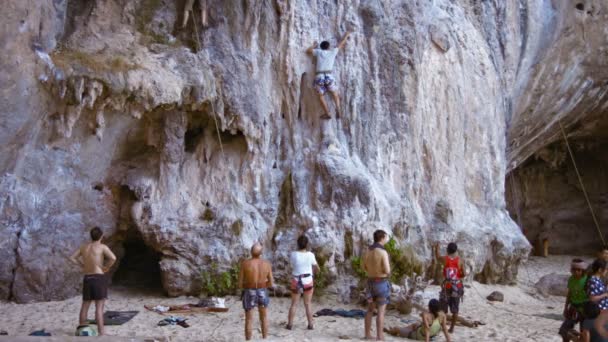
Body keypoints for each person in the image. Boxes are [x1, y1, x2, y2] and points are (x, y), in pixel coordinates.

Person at [69, 227, 117, 336]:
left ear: (91, 236)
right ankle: (102, 332)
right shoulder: (102, 247)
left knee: (85, 305)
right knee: (99, 307)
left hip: (87, 277)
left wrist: (82, 265)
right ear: (102, 236)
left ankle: (81, 330)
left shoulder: (83, 247)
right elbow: (113, 258)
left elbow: (72, 258)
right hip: (98, 277)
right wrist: (106, 267)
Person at [306, 31, 351, 120]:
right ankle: (338, 109)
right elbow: (341, 44)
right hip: (329, 76)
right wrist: (346, 35)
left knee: (321, 96)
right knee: (335, 94)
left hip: (319, 77)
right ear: (329, 47)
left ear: (321, 47)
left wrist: (314, 46)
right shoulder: (332, 52)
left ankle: (327, 113)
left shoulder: (318, 52)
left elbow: (308, 51)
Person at [238, 242, 274, 340]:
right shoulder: (267, 264)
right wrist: (262, 285)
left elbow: (240, 284)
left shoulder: (245, 264)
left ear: (251, 252)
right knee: (264, 318)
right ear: (261, 253)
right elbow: (271, 283)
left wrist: (249, 286)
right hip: (262, 290)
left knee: (249, 319)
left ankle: (248, 340)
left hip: (249, 291)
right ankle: (265, 338)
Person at [363, 229, 391, 341]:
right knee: (381, 311)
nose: (386, 239)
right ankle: (380, 336)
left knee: (370, 310)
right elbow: (387, 270)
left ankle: (367, 334)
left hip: (370, 282)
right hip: (381, 283)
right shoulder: (383, 252)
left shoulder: (367, 251)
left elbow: (363, 267)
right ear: (382, 238)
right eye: (385, 237)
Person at [286, 235, 319, 330]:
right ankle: (310, 324)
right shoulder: (311, 255)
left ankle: (290, 325)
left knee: (294, 304)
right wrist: (313, 272)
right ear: (307, 244)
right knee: (308, 304)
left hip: (296, 281)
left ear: (298, 244)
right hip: (308, 281)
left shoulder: (293, 254)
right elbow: (317, 268)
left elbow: (292, 265)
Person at [434, 242, 465, 333]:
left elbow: (437, 257)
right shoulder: (460, 261)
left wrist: (437, 248)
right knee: (455, 309)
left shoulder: (445, 259)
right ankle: (451, 328)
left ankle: (441, 326)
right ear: (456, 251)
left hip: (447, 286)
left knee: (443, 308)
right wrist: (459, 275)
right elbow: (464, 274)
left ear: (447, 250)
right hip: (457, 286)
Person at [385, 299, 452, 342]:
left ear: (429, 307)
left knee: (397, 329)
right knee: (415, 324)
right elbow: (445, 329)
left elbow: (427, 330)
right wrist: (449, 340)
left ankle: (390, 331)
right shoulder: (442, 315)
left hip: (420, 336)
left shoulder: (426, 315)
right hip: (432, 335)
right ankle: (403, 329)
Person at [559, 259, 589, 341]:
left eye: (579, 270)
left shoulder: (588, 280)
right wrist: (565, 307)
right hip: (573, 308)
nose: (576, 272)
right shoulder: (571, 279)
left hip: (585, 310)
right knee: (564, 330)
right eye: (574, 269)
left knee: (584, 334)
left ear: (583, 270)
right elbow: (569, 294)